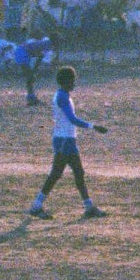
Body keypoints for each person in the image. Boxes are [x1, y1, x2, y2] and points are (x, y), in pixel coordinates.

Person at [29, 65, 107, 219]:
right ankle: (36, 206)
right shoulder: (62, 97)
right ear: (66, 81)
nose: (74, 83)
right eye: (72, 80)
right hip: (64, 140)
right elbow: (72, 119)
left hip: (67, 140)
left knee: (78, 172)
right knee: (56, 174)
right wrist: (93, 126)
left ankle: (88, 206)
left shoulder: (62, 95)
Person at [14, 35, 55, 106]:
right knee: (30, 77)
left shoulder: (46, 43)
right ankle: (31, 98)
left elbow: (37, 55)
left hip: (23, 52)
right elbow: (40, 57)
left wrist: (34, 69)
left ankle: (31, 97)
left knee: (30, 77)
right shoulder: (48, 45)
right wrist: (35, 69)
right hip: (23, 53)